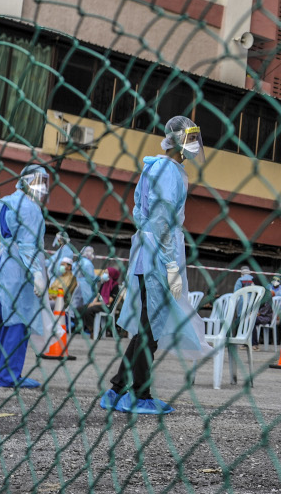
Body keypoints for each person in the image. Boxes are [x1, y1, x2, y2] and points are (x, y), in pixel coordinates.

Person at [101, 116, 210, 415]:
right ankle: (140, 394)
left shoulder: (154, 167)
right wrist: (170, 267)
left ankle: (117, 389)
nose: (192, 147)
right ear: (174, 141)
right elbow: (161, 220)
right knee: (151, 331)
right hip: (158, 258)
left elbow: (141, 212)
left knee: (145, 328)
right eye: (188, 140)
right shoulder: (170, 172)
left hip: (146, 256)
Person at [0, 165, 51, 388]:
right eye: (38, 182)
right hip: (19, 274)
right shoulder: (31, 209)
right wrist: (37, 273)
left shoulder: (5, 202)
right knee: (17, 323)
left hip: (1, 270)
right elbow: (28, 245)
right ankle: (7, 376)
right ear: (26, 181)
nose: (42, 188)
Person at [80, 266, 121, 336]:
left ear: (111, 274)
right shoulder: (104, 283)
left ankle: (95, 330)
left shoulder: (115, 286)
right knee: (81, 309)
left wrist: (95, 304)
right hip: (99, 304)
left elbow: (108, 301)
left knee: (88, 310)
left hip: (107, 307)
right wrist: (93, 303)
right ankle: (85, 329)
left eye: (106, 273)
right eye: (104, 272)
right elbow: (98, 295)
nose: (104, 274)